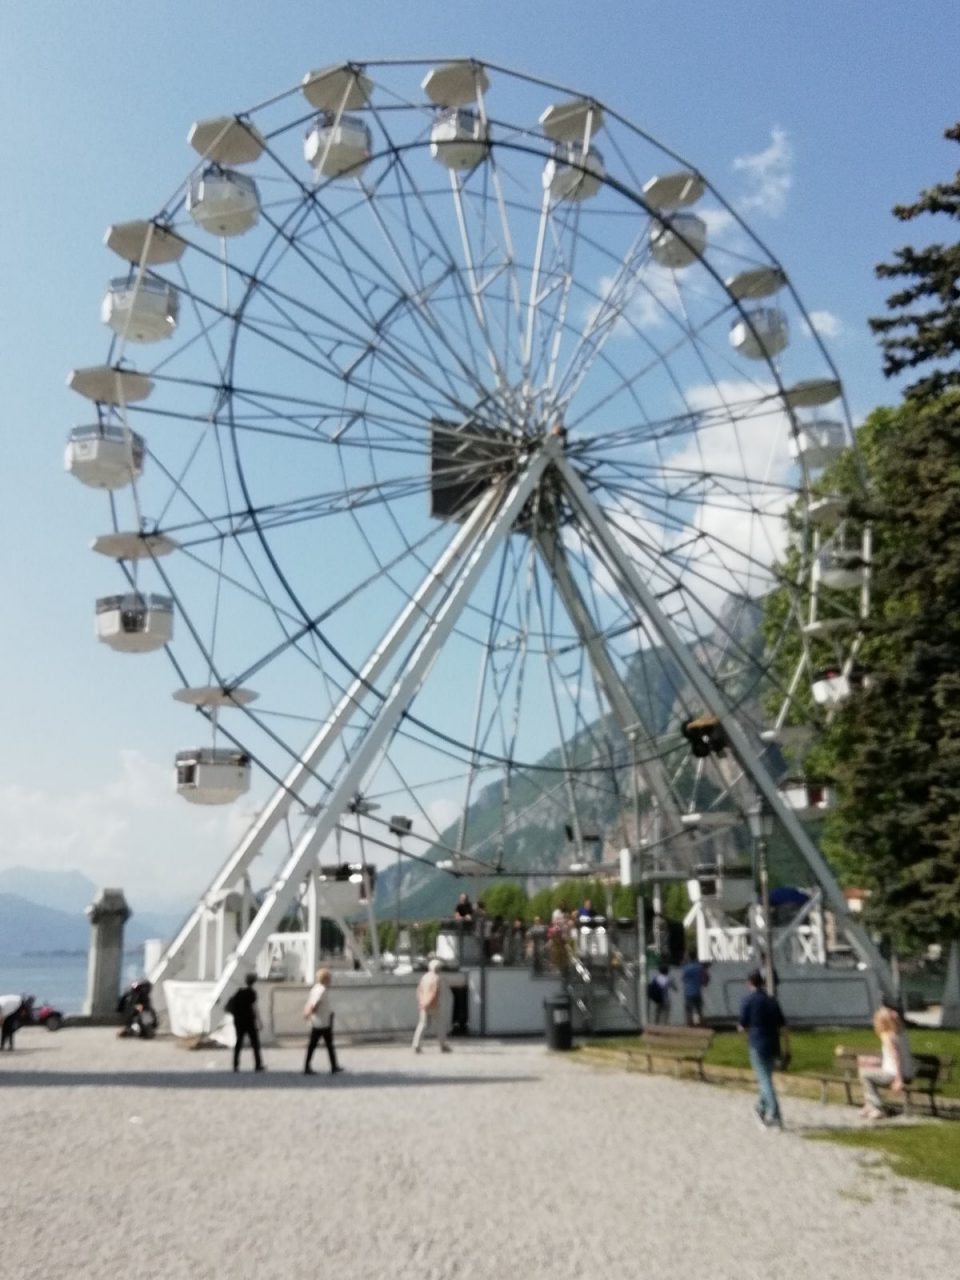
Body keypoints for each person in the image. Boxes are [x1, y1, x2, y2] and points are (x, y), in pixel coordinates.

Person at [738, 970, 789, 1130]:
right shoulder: (771, 1000)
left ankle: (774, 1114)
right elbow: (783, 1026)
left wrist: (742, 1030)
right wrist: (787, 1046)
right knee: (766, 1079)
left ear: (749, 983)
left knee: (764, 1081)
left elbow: (743, 1023)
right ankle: (760, 1108)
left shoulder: (748, 1000)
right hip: (773, 1043)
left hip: (757, 1043)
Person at [858, 1004, 914, 1120]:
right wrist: (875, 1062)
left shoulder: (887, 1035)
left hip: (894, 1074)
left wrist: (898, 1080)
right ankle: (869, 1105)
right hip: (908, 1073)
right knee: (867, 1070)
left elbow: (896, 1057)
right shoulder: (901, 1033)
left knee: (865, 1075)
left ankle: (876, 1107)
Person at [303, 967, 343, 1076]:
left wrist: (307, 1013)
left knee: (315, 1045)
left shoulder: (315, 988)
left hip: (318, 1021)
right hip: (322, 1021)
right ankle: (332, 1066)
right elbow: (316, 1004)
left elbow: (310, 1002)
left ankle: (332, 1066)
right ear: (325, 978)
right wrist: (310, 1013)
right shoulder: (322, 990)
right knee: (327, 1044)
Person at [227, 973, 264, 1073]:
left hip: (238, 1021)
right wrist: (259, 1021)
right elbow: (254, 1008)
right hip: (249, 1021)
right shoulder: (252, 993)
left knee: (239, 1043)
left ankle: (235, 1065)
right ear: (254, 982)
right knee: (255, 1043)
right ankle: (258, 1064)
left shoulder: (238, 992)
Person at [413, 958, 451, 1054]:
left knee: (422, 1024)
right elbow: (435, 992)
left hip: (423, 1004)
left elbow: (419, 990)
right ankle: (443, 1045)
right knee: (440, 1025)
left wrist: (421, 1001)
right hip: (433, 1004)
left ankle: (416, 1044)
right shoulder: (437, 978)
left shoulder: (424, 977)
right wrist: (432, 1001)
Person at [681, 952, 709, 1026]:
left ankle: (690, 1024)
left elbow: (683, 979)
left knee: (689, 1010)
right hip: (697, 991)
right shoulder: (700, 967)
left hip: (688, 991)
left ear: (689, 958)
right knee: (699, 1009)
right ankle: (701, 1024)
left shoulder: (686, 968)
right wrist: (704, 983)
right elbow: (705, 976)